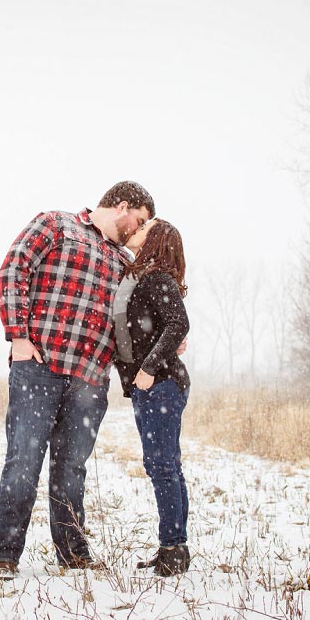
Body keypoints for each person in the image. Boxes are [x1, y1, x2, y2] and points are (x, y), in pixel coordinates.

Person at [0, 180, 156, 580]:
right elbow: (15, 268)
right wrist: (19, 337)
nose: (140, 229)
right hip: (39, 368)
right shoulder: (57, 224)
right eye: (140, 219)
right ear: (122, 205)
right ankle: (6, 556)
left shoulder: (124, 262)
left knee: (72, 468)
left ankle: (72, 553)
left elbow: (129, 327)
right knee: (23, 462)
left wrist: (165, 346)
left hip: (90, 382)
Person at [114, 218, 191, 577]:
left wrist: (147, 369)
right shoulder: (142, 278)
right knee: (166, 465)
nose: (138, 228)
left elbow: (179, 324)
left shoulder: (157, 277)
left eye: (146, 227)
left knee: (162, 466)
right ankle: (174, 547)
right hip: (152, 387)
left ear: (156, 239)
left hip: (161, 385)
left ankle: (173, 549)